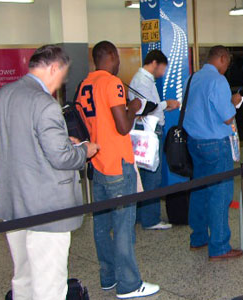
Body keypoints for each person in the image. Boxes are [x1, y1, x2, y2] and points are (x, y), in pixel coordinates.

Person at [0, 45, 99, 300]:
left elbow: (24, 143)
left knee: (24, 278)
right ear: (53, 68)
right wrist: (84, 150)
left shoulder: (3, 95)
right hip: (47, 209)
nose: (62, 81)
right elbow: (61, 158)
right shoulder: (45, 103)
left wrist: (63, 140)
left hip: (15, 203)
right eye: (63, 74)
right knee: (50, 285)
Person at [76, 41, 159, 299]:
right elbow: (123, 127)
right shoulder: (112, 83)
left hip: (97, 163)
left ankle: (108, 277)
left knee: (101, 224)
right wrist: (133, 108)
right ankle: (129, 284)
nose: (119, 63)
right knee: (123, 226)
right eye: (118, 58)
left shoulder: (84, 85)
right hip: (118, 163)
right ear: (111, 56)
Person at [182, 45, 243, 261]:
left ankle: (198, 237)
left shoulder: (193, 78)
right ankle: (219, 246)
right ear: (223, 58)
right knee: (220, 193)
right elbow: (227, 117)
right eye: (227, 63)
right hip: (215, 144)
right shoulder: (218, 80)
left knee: (199, 189)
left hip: (195, 143)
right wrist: (233, 103)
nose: (226, 67)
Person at [128, 49, 180, 230]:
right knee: (152, 174)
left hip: (148, 128)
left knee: (145, 174)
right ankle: (150, 219)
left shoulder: (144, 80)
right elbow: (145, 107)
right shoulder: (142, 80)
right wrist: (167, 104)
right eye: (163, 68)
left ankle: (142, 215)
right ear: (155, 63)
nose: (163, 73)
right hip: (150, 131)